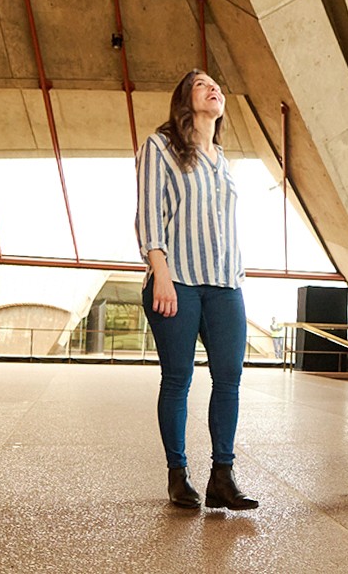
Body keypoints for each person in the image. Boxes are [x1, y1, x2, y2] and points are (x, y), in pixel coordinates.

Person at [137, 68, 257, 511]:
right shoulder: (160, 147)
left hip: (226, 283)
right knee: (178, 379)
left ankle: (221, 477)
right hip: (179, 281)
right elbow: (149, 213)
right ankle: (177, 474)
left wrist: (240, 276)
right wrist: (160, 271)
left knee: (229, 378)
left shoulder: (222, 159)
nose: (215, 89)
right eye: (203, 84)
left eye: (217, 85)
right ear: (185, 100)